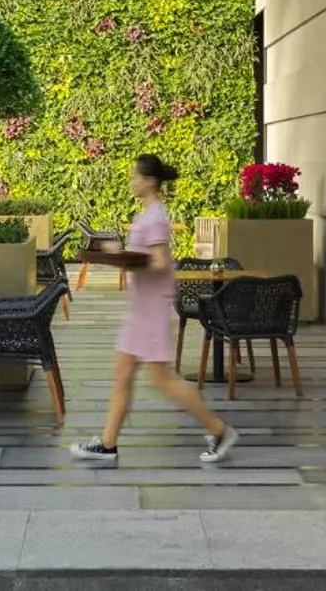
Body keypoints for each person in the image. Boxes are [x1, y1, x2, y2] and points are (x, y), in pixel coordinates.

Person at [71, 153, 238, 464]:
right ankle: (108, 444)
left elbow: (160, 263)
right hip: (141, 309)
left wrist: (122, 258)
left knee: (163, 380)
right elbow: (146, 256)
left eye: (135, 176)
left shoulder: (156, 218)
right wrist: (120, 253)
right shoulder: (148, 214)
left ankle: (219, 430)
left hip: (151, 311)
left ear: (149, 182)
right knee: (123, 374)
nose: (132, 181)